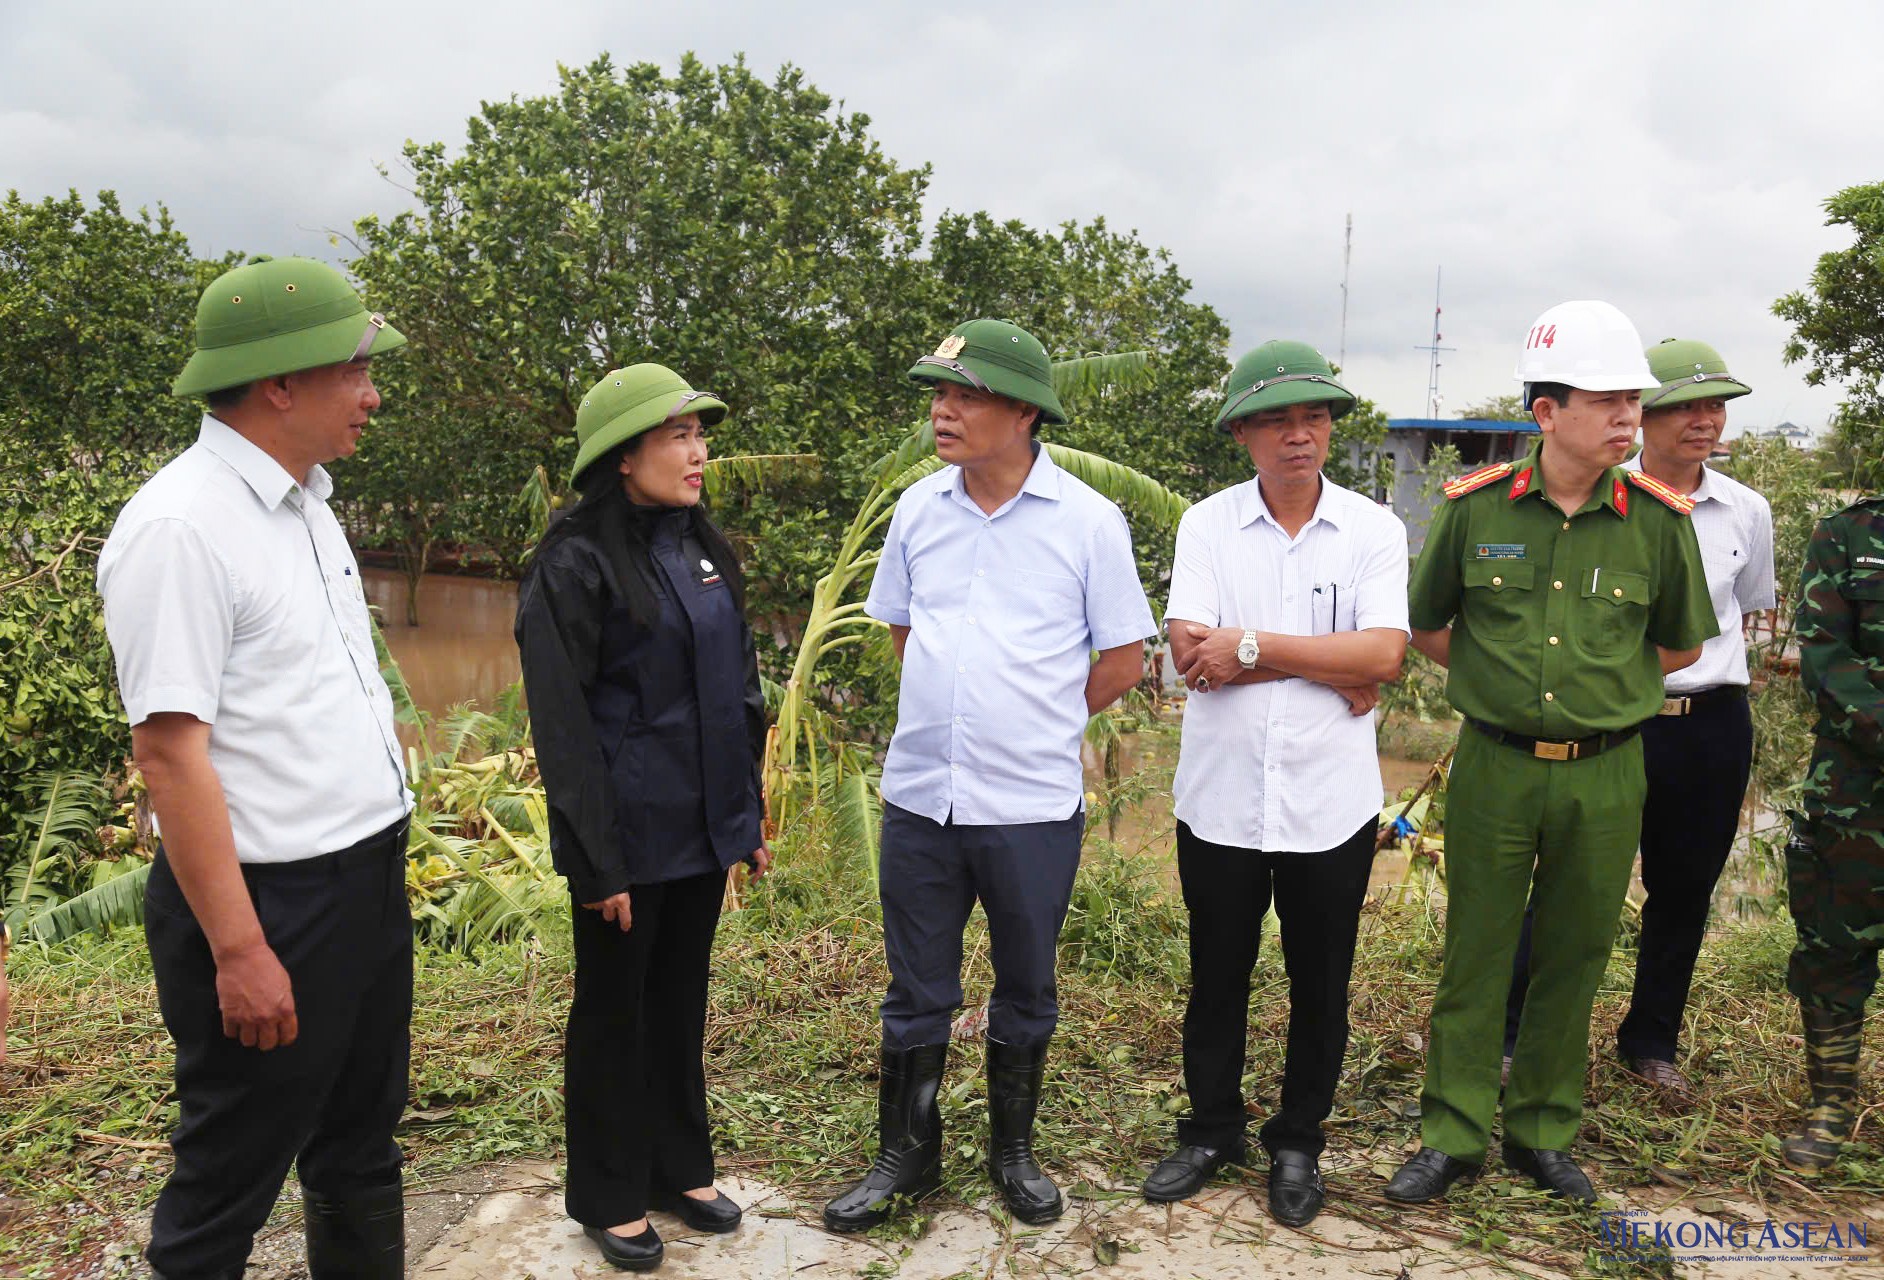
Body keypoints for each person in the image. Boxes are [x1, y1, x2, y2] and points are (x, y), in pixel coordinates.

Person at [97, 256, 413, 1279]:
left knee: (361, 1140)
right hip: (271, 902)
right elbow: (169, 749)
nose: (373, 394)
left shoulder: (308, 502)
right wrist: (240, 949)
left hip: (362, 876)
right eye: (357, 370)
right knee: (230, 1169)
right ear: (281, 381)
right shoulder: (182, 527)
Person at [823, 320, 1156, 1232]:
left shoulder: (1089, 521)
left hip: (1030, 806)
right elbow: (904, 631)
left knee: (1026, 985)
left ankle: (1013, 1150)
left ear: (1022, 412)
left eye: (964, 395)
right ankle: (906, 1156)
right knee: (915, 988)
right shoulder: (919, 510)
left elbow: (1123, 659)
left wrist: (1037, 720)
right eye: (939, 394)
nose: (943, 410)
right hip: (921, 797)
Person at [1386, 300, 1716, 1207]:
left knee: (1574, 955)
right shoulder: (1475, 508)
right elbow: (1430, 627)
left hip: (1609, 772)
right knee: (1477, 953)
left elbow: (1681, 645)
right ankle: (1451, 1134)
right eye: (1606, 400)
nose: (1626, 419)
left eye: (1631, 402)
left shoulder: (1658, 521)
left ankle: (1541, 1133)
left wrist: (1603, 694)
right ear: (1546, 413)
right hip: (1496, 764)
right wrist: (1503, 689)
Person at [1143, 342, 1408, 1227]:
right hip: (1220, 799)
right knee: (1217, 971)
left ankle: (1298, 1140)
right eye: (1278, 420)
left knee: (1320, 980)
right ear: (1243, 433)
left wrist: (1252, 645)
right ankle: (1210, 1128)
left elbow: (1386, 656)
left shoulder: (1374, 529)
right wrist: (1330, 666)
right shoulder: (1206, 526)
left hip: (1329, 805)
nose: (1300, 436)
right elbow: (1190, 658)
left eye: (1315, 418)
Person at [515, 364, 770, 1272]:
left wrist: (745, 819)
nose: (699, 453)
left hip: (701, 830)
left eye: (700, 435)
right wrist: (597, 861)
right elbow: (565, 727)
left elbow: (738, 692)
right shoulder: (573, 562)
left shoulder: (699, 547)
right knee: (614, 1013)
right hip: (626, 837)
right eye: (678, 437)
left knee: (679, 1001)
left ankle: (679, 1166)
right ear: (625, 456)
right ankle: (611, 1192)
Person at [1503, 340, 1774, 1093]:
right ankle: (1514, 1033)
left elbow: (1743, 613)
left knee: (1685, 888)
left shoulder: (1745, 511)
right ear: (1640, 414)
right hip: (1613, 722)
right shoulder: (1595, 501)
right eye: (1683, 404)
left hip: (1712, 722)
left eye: (1714, 405)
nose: (1702, 419)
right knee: (1567, 880)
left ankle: (1651, 1041)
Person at [1781, 496, 1884, 1170]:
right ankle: (1832, 1107)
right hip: (1855, 785)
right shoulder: (1848, 533)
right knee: (1835, 941)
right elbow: (1824, 654)